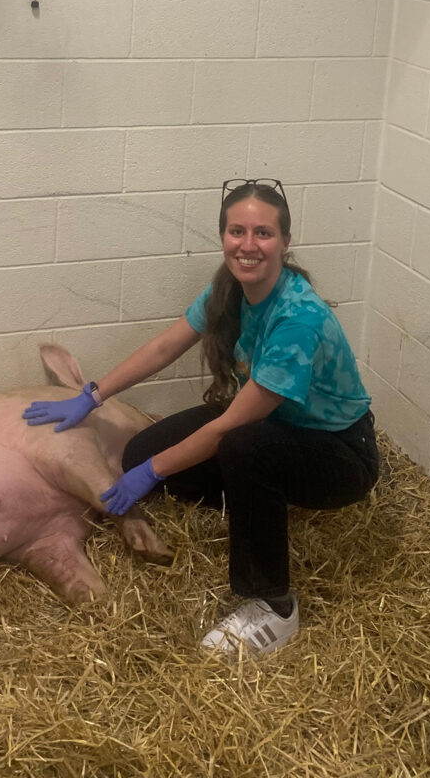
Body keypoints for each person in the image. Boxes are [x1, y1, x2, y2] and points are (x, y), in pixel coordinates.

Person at [22, 179, 378, 656]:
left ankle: (274, 604)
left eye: (263, 233)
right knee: (142, 451)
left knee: (236, 447)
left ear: (285, 243)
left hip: (339, 452)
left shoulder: (298, 319)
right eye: (237, 231)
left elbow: (229, 426)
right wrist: (93, 394)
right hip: (279, 430)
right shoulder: (228, 289)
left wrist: (151, 473)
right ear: (224, 236)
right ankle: (263, 500)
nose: (248, 245)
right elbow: (167, 345)